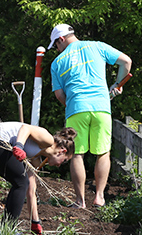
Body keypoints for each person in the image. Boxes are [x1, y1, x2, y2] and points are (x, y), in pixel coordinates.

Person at [49, 24, 132, 208]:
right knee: (103, 152)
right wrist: (117, 84)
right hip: (102, 107)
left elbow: (59, 95)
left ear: (61, 39)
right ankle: (100, 197)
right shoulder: (97, 46)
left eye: (56, 45)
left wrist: (72, 105)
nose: (57, 49)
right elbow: (126, 62)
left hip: (76, 108)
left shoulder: (57, 62)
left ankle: (80, 201)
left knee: (76, 154)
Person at [0, 122, 76, 235]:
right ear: (62, 151)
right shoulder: (48, 140)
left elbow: (31, 190)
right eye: (65, 161)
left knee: (20, 183)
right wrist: (19, 146)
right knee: (20, 183)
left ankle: (6, 230)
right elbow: (26, 128)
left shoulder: (35, 157)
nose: (59, 165)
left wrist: (35, 221)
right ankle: (9, 232)